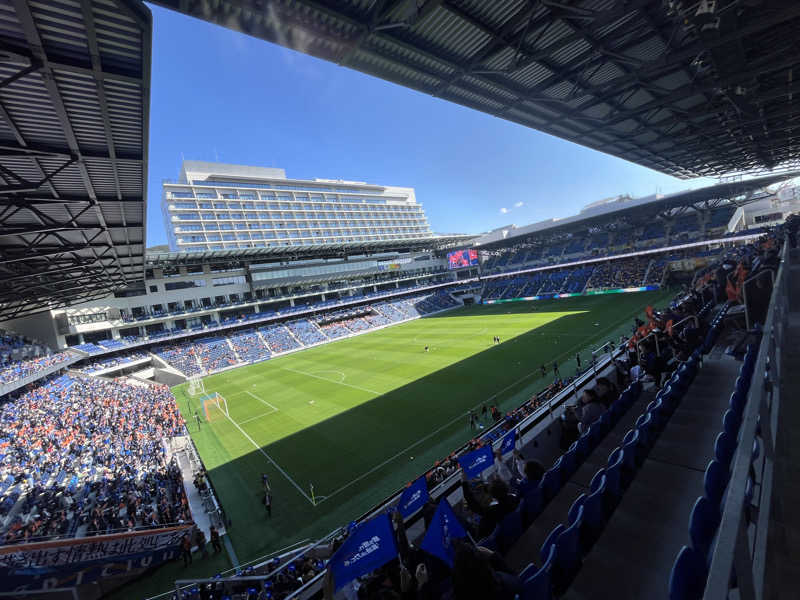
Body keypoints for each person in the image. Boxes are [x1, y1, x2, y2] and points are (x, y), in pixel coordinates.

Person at [461, 473, 519, 539]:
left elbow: (474, 506)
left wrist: (464, 483)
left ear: (493, 495)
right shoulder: (514, 498)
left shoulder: (493, 511)